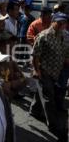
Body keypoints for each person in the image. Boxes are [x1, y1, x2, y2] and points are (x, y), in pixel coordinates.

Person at [31, 12, 68, 142]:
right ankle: (53, 125)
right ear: (53, 22)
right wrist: (36, 70)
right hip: (45, 70)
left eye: (64, 23)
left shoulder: (65, 35)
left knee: (42, 92)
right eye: (59, 22)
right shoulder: (43, 36)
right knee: (49, 98)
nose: (62, 25)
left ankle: (34, 110)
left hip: (57, 71)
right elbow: (35, 55)